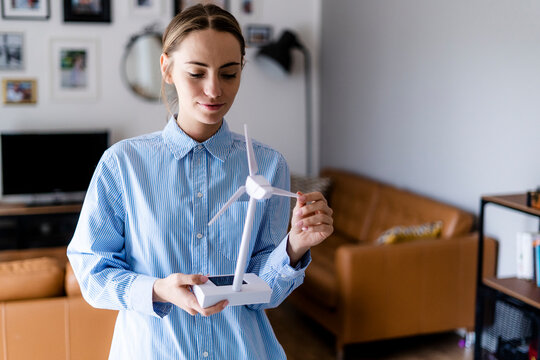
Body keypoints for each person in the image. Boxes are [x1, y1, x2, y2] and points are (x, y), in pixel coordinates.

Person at [67, 4, 333, 359]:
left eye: (229, 74)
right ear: (167, 68)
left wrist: (294, 246)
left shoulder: (268, 165)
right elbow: (92, 275)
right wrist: (159, 289)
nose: (213, 90)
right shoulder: (123, 164)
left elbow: (262, 293)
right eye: (196, 72)